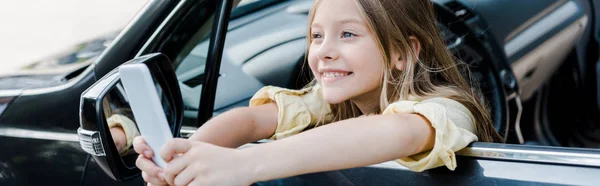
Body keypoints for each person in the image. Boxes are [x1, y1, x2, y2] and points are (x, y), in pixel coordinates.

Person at [131, 0, 504, 185]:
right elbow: (251, 120)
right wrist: (184, 160)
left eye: (347, 34)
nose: (323, 50)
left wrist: (243, 165)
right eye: (316, 35)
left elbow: (398, 131)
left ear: (401, 54)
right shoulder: (331, 101)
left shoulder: (448, 110)